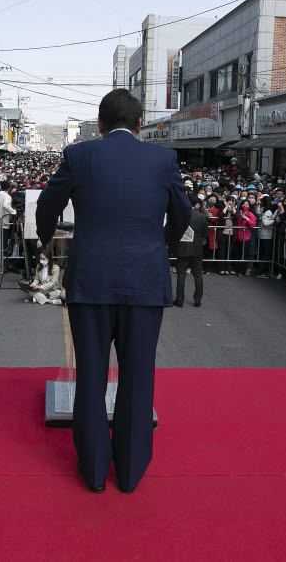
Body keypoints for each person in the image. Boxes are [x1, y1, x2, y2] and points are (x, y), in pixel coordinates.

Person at [37, 88, 190, 495]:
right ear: (141, 125)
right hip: (145, 279)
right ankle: (130, 471)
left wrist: (44, 235)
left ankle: (92, 472)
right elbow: (182, 213)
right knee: (139, 378)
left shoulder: (79, 155)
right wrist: (162, 244)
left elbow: (47, 204)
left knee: (90, 376)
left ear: (100, 124)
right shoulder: (164, 158)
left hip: (91, 280)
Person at [174, 195, 207, 308]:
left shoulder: (179, 216)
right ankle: (197, 300)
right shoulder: (202, 217)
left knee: (181, 274)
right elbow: (205, 235)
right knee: (198, 274)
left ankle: (179, 300)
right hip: (197, 249)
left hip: (182, 249)